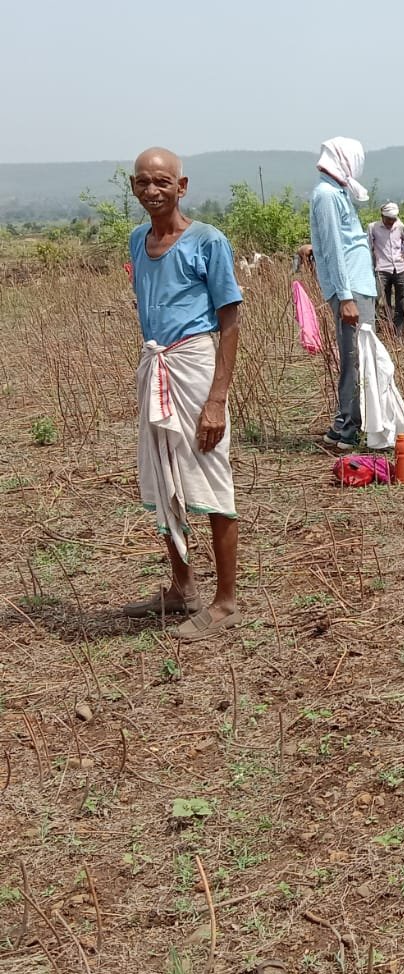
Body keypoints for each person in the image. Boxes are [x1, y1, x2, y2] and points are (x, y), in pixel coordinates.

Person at [123, 148, 242, 641]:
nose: (153, 191)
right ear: (133, 187)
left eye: (162, 183)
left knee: (210, 478)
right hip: (158, 366)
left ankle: (227, 601)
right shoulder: (137, 241)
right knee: (162, 476)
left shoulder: (208, 242)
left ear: (182, 185)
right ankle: (182, 587)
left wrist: (217, 398)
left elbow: (230, 319)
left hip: (194, 368)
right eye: (144, 182)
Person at [310, 137, 378, 449]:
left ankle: (345, 424)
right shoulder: (326, 195)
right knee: (356, 359)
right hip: (351, 290)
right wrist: (346, 296)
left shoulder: (337, 193)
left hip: (357, 287)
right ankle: (349, 427)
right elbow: (335, 249)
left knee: (359, 357)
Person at [367, 202, 404, 338]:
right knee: (375, 299)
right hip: (382, 268)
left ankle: (397, 332)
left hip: (399, 268)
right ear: (382, 216)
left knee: (402, 300)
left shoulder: (400, 226)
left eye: (393, 219)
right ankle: (376, 327)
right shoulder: (373, 228)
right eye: (388, 219)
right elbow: (368, 246)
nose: (391, 222)